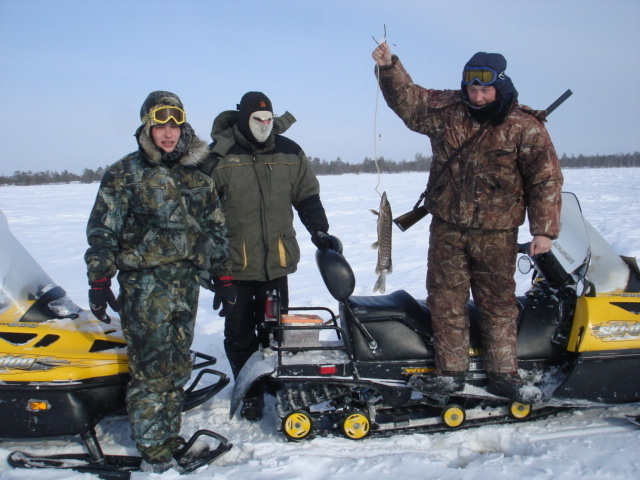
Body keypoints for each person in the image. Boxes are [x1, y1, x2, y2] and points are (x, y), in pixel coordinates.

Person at [372, 44, 563, 403]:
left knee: (497, 304)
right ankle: (450, 374)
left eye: (484, 90)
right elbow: (410, 103)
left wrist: (543, 230)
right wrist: (389, 67)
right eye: (471, 89)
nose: (476, 96)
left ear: (500, 86)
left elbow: (545, 179)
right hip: (448, 227)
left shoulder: (524, 125)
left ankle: (504, 375)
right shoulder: (449, 112)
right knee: (445, 301)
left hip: (497, 232)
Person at [85, 91, 233, 473]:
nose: (168, 133)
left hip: (185, 284)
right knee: (151, 370)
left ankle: (167, 434)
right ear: (147, 126)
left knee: (177, 366)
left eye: (174, 124)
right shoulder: (125, 173)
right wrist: (100, 279)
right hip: (145, 287)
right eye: (160, 125)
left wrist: (224, 274)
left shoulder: (194, 173)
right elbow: (103, 231)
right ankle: (154, 451)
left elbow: (215, 228)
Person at [200, 91, 342, 420]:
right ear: (243, 119)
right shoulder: (219, 155)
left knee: (275, 329)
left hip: (276, 262)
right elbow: (201, 216)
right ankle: (249, 390)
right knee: (238, 333)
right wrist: (209, 267)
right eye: (256, 120)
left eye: (268, 120)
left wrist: (319, 231)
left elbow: (307, 196)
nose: (264, 126)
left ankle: (276, 379)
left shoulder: (289, 152)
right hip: (233, 265)